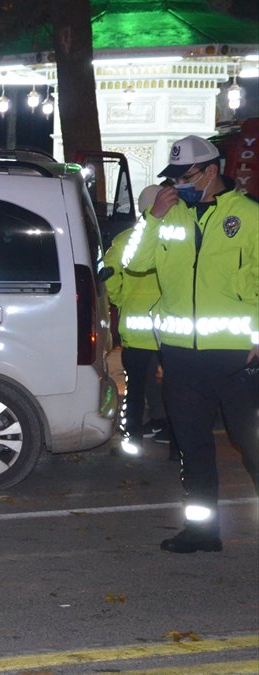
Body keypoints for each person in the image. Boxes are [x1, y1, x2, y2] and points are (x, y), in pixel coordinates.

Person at [121, 135, 258, 553]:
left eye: (185, 177)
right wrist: (152, 219)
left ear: (211, 172)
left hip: (236, 356)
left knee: (252, 444)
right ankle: (202, 531)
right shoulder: (168, 216)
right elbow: (133, 262)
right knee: (192, 448)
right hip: (181, 356)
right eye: (173, 179)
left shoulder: (249, 216)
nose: (177, 185)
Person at [104, 184, 176, 458]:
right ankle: (178, 448)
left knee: (134, 391)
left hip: (136, 331)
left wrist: (122, 301)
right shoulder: (175, 238)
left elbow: (110, 278)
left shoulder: (125, 240)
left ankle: (132, 442)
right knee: (176, 390)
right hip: (172, 330)